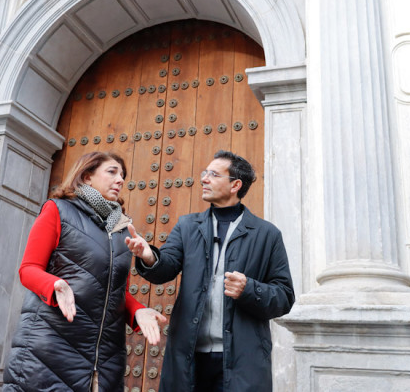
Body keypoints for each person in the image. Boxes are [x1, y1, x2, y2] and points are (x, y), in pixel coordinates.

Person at [125, 150, 294, 392]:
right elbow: (167, 267)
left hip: (243, 361)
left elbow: (284, 297)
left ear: (235, 184)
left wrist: (249, 289)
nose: (204, 179)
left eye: (213, 174)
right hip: (189, 356)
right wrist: (149, 256)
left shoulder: (267, 234)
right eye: (205, 173)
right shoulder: (187, 226)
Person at [4, 151, 166, 392]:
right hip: (50, 351)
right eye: (112, 172)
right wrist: (55, 285)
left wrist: (138, 312)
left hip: (104, 360)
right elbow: (28, 269)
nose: (120, 180)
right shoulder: (57, 210)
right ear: (87, 177)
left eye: (123, 175)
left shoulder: (121, 230)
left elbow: (114, 291)